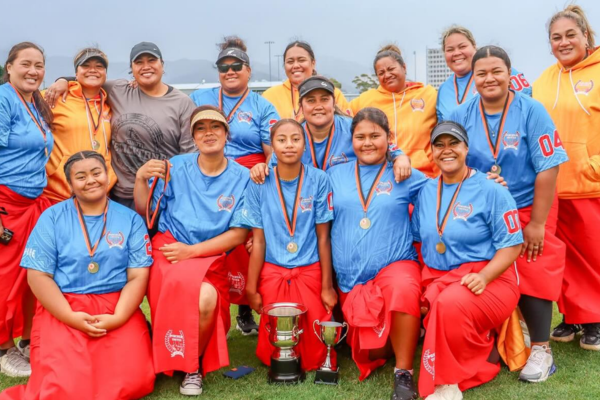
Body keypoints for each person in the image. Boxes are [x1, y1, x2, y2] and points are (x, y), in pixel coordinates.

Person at [449, 45, 568, 382]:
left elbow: (548, 168)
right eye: (481, 73)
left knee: (532, 267)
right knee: (486, 267)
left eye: (496, 71)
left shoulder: (532, 109)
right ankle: (496, 339)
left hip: (531, 201)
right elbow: (453, 164)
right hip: (484, 205)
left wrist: (537, 223)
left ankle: (542, 348)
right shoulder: (461, 114)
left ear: (509, 73)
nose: (489, 78)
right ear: (473, 78)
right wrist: (480, 183)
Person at [0, 151, 155, 400]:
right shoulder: (51, 217)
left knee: (136, 381)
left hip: (116, 306)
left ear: (108, 175)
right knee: (64, 388)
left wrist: (118, 318)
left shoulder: (130, 219)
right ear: (70, 184)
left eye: (96, 173)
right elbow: (38, 277)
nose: (91, 180)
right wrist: (70, 317)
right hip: (64, 306)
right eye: (80, 177)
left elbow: (137, 276)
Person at [133, 105, 249, 396]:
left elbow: (238, 233)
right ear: (193, 137)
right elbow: (148, 214)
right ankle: (182, 362)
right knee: (188, 294)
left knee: (207, 299)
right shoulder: (176, 165)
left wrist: (192, 252)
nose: (208, 133)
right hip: (170, 247)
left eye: (215, 127)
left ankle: (192, 363)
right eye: (201, 128)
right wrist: (139, 179)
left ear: (226, 134)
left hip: (209, 253)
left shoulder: (243, 176)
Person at [413, 121, 522, 399]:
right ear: (432, 152)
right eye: (439, 145)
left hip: (489, 278)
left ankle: (447, 383)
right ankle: (485, 350)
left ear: (466, 148)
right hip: (440, 276)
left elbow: (512, 246)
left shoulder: (492, 189)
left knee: (448, 304)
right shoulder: (426, 190)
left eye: (454, 144)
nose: (446, 151)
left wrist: (485, 276)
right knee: (412, 297)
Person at [327, 108, 427, 400]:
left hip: (395, 264)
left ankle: (404, 373)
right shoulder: (334, 175)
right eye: (360, 137)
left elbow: (448, 188)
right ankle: (409, 332)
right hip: (351, 280)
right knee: (371, 349)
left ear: (389, 138)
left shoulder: (404, 173)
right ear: (352, 140)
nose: (367, 142)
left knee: (403, 287)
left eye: (375, 136)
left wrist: (487, 184)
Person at [230, 118, 337, 373]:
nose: (289, 145)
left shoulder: (319, 180)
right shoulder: (259, 182)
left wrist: (327, 286)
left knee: (314, 354)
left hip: (309, 270)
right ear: (272, 146)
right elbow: (258, 240)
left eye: (295, 139)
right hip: (273, 271)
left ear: (304, 144)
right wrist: (252, 289)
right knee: (272, 353)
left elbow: (323, 238)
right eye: (281, 140)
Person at [189, 36, 279, 335]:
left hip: (247, 181)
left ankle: (243, 308)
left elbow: (273, 152)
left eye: (236, 66)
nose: (230, 71)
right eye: (224, 67)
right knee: (208, 239)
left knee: (245, 244)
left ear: (248, 70)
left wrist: (264, 168)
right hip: (207, 178)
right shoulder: (200, 97)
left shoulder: (261, 105)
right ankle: (208, 304)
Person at [45, 42, 197, 209]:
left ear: (162, 64)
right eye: (139, 62)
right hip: (118, 195)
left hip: (161, 194)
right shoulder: (119, 89)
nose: (146, 67)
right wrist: (62, 81)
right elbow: (90, 77)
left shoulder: (182, 102)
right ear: (131, 68)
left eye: (152, 60)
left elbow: (190, 158)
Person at [533, 4, 600, 351]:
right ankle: (573, 317)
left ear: (585, 35)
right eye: (556, 37)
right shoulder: (544, 79)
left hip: (590, 183)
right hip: (552, 187)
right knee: (563, 259)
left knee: (594, 256)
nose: (563, 42)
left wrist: (594, 165)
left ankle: (596, 320)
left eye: (570, 34)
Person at [0, 42, 54, 378]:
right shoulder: (4, 99)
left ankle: (26, 339)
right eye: (25, 64)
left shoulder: (36, 101)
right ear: (9, 67)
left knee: (32, 274)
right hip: (6, 203)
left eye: (39, 65)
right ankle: (4, 348)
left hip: (34, 201)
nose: (33, 71)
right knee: (6, 278)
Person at [251, 75, 412, 183]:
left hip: (348, 202)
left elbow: (387, 146)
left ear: (333, 102)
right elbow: (273, 165)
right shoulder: (292, 134)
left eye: (324, 99)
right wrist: (261, 168)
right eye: (311, 100)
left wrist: (401, 158)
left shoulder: (353, 128)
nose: (318, 106)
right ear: (301, 106)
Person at [350, 45, 439, 177]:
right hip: (383, 176)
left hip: (424, 174)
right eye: (381, 73)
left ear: (404, 67)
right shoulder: (365, 99)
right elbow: (340, 117)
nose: (387, 75)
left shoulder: (429, 94)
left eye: (391, 69)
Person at [43, 48, 117, 204]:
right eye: (86, 66)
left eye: (99, 66)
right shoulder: (55, 96)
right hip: (59, 196)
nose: (93, 70)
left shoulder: (110, 102)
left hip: (100, 196)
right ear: (76, 73)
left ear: (105, 73)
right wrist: (63, 80)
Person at [436, 25, 532, 121]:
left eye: (462, 46)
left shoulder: (501, 73)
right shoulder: (443, 90)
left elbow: (529, 105)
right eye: (450, 49)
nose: (456, 53)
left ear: (474, 46)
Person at [262, 40, 351, 120]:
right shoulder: (269, 96)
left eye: (301, 60)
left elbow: (347, 127)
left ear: (313, 63)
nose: (296, 65)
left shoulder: (333, 93)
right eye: (290, 62)